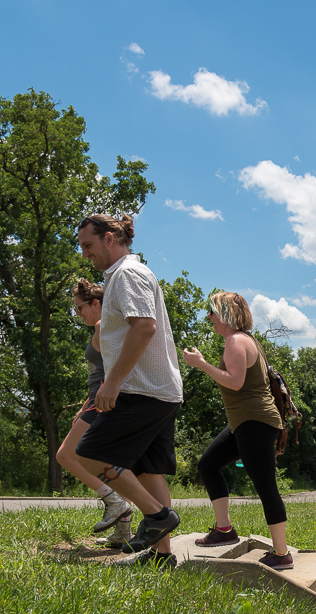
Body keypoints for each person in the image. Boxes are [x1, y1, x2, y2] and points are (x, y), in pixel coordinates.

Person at [74, 213, 184, 569]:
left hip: (142, 389)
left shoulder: (127, 274)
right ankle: (162, 557)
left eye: (88, 245)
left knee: (88, 453)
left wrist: (114, 381)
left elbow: (144, 328)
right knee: (150, 472)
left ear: (109, 238)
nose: (85, 254)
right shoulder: (123, 275)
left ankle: (156, 516)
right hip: (159, 389)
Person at [182, 291, 292, 569]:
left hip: (254, 423)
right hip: (244, 423)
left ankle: (282, 554)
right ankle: (224, 530)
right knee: (208, 464)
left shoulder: (235, 340)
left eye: (213, 312)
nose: (209, 317)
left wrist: (202, 364)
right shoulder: (244, 340)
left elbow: (235, 382)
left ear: (226, 315)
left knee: (266, 486)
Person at [54, 278, 133, 546]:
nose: (78, 314)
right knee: (111, 461)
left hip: (101, 398)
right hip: (94, 398)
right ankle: (123, 532)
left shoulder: (102, 326)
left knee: (67, 454)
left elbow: (113, 368)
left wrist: (99, 399)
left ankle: (114, 500)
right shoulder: (101, 327)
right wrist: (82, 407)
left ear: (96, 303)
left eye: (79, 308)